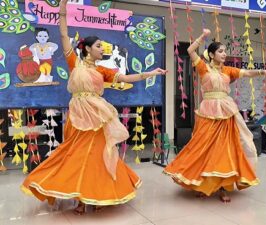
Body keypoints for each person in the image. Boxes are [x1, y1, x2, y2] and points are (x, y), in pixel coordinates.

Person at [21, 0, 167, 215]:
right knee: (77, 155)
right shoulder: (74, 63)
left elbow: (127, 77)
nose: (102, 48)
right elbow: (63, 36)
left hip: (98, 116)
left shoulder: (102, 70)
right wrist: (63, 10)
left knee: (98, 155)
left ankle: (97, 194)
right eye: (98, 46)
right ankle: (80, 197)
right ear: (87, 49)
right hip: (79, 115)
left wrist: (151, 73)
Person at [164, 29, 266, 203]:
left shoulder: (228, 70)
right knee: (203, 148)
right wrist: (202, 36)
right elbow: (190, 51)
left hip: (225, 111)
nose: (224, 54)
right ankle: (203, 185)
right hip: (207, 112)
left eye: (225, 51)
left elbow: (247, 73)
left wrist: (264, 72)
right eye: (221, 51)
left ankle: (223, 187)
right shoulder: (202, 67)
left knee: (225, 150)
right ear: (211, 54)